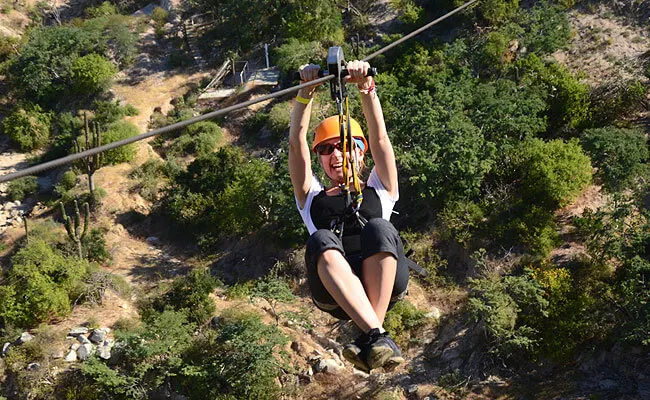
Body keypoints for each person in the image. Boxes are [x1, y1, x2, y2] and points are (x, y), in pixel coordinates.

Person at [288, 60, 410, 372]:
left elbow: (380, 138)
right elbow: (295, 143)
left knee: (379, 227)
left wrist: (366, 88)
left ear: (360, 151)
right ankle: (378, 336)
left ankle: (372, 335)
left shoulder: (381, 188)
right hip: (334, 292)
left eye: (344, 145)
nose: (335, 154)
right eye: (325, 150)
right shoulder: (311, 198)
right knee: (322, 238)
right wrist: (305, 94)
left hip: (382, 280)